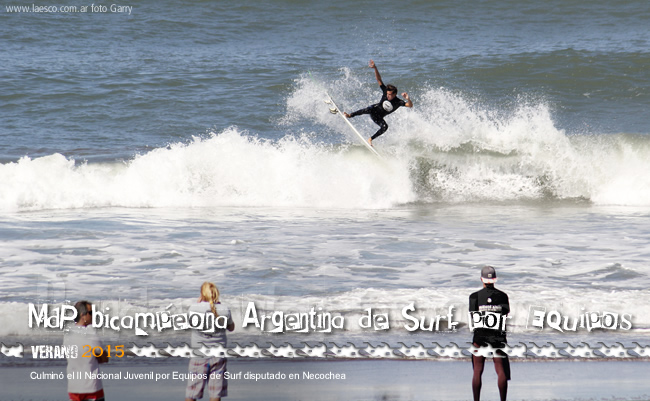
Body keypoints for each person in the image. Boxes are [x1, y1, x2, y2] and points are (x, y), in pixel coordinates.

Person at [344, 59, 413, 146]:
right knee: (368, 109)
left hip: (379, 118)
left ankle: (370, 139)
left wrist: (408, 98)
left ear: (395, 94)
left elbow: (410, 105)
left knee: (385, 127)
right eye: (387, 94)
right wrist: (375, 68)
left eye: (390, 94)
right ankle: (350, 115)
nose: (388, 96)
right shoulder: (385, 91)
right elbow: (379, 79)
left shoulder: (398, 102)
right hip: (373, 110)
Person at [185, 282, 235, 401]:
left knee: (192, 393)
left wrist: (199, 304)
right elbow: (231, 328)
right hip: (218, 356)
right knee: (215, 393)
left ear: (202, 294)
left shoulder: (193, 308)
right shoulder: (224, 309)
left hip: (199, 355)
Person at [469, 266, 510, 401]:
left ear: (482, 279)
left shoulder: (474, 297)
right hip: (497, 337)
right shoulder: (503, 296)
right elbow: (505, 314)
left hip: (480, 336)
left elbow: (473, 317)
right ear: (495, 279)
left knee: (477, 371)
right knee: (500, 370)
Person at [63, 300, 108, 401]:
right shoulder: (90, 333)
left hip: (73, 387)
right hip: (91, 387)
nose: (93, 316)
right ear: (83, 315)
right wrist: (97, 356)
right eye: (91, 313)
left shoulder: (67, 335)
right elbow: (105, 358)